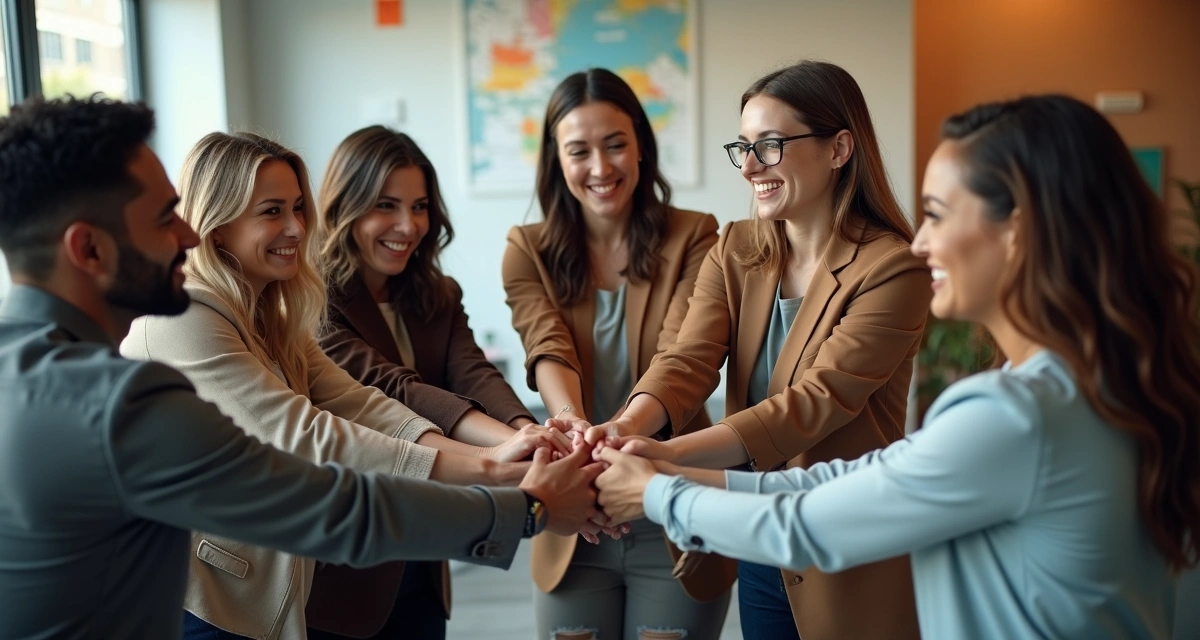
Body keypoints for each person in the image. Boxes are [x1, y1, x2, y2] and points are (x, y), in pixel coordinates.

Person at [0, 96, 601, 639]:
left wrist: (503, 459)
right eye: (163, 217)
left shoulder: (6, 364)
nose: (188, 236)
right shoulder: (125, 398)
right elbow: (326, 502)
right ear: (88, 248)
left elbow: (355, 400)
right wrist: (526, 504)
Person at [594, 94, 1200, 640]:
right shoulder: (1097, 389)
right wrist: (662, 463)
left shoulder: (1013, 414)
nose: (919, 242)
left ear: (1018, 227)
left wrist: (655, 493)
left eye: (938, 213)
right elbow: (841, 481)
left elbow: (809, 521)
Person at [119, 131, 567, 639]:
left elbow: (361, 403)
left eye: (296, 208)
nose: (295, 227)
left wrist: (511, 448)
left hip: (267, 585)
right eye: (271, 212)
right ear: (218, 228)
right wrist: (496, 473)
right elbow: (307, 434)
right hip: (203, 601)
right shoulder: (184, 318)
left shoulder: (272, 312)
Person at [580, 60, 930, 639]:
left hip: (842, 540)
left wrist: (662, 460)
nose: (748, 167)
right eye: (741, 147)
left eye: (768, 146)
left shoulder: (894, 267)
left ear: (840, 148)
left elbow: (814, 404)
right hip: (752, 531)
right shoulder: (737, 247)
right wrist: (624, 431)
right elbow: (687, 359)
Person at [307, 126, 563, 639]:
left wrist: (527, 431)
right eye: (386, 205)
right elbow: (392, 389)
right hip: (349, 563)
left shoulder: (436, 293)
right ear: (345, 206)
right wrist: (515, 446)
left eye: (420, 206)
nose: (408, 225)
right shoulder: (313, 300)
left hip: (426, 554)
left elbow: (473, 371)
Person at [502, 68, 730, 640]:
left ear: (641, 147)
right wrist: (578, 429)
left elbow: (684, 354)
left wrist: (621, 434)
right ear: (557, 161)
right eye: (579, 151)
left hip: (669, 504)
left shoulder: (696, 235)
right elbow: (545, 343)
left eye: (615, 145)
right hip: (573, 510)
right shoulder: (525, 250)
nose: (601, 169)